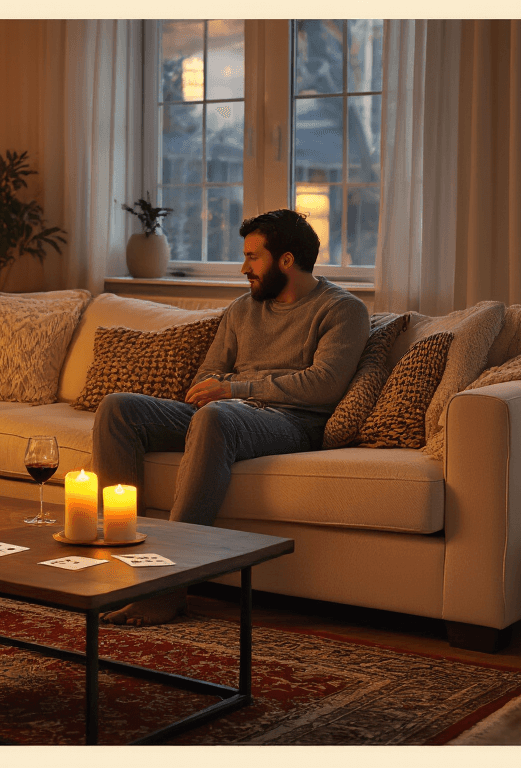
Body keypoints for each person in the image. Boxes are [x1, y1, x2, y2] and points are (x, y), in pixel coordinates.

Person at [93, 209, 369, 626]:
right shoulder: (242, 309)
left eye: (253, 257)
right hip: (223, 413)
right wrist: (219, 390)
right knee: (118, 409)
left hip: (290, 421)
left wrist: (236, 390)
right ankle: (123, 562)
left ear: (286, 260)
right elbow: (208, 373)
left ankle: (168, 587)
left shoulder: (342, 309)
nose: (244, 268)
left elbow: (324, 385)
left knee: (216, 417)